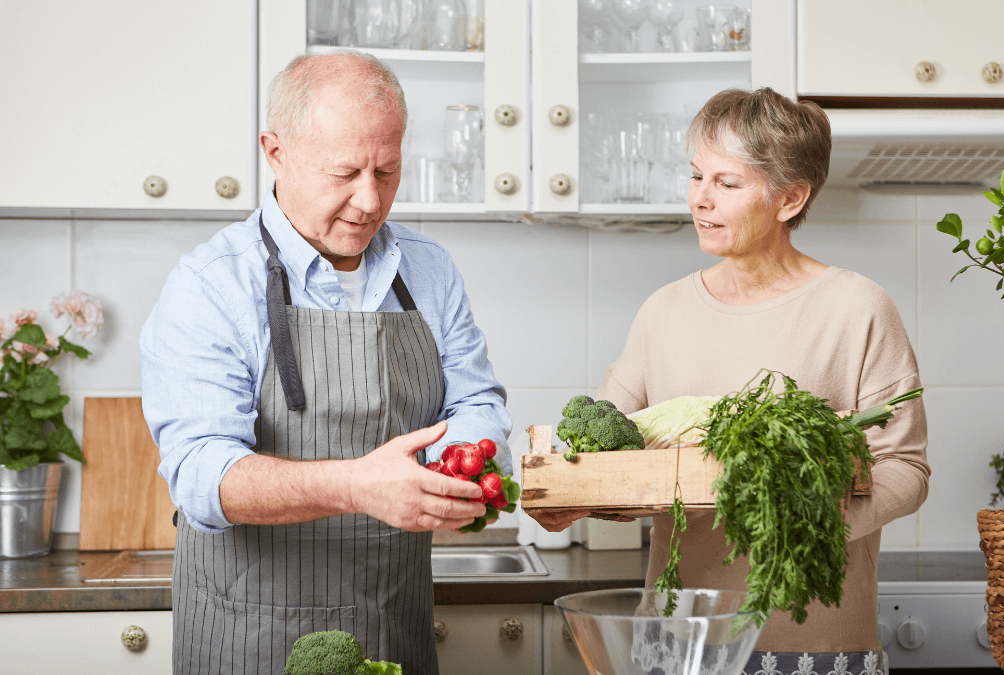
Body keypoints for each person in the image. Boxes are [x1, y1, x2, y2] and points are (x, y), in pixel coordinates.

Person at [532, 88, 929, 674]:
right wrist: (568, 496)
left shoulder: (857, 307)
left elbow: (907, 469)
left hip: (815, 639)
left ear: (790, 198)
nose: (700, 199)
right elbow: (605, 447)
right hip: (680, 639)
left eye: (727, 183)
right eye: (696, 176)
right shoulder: (663, 311)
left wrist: (799, 527)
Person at [140, 50, 511, 675]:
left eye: (386, 171)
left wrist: (464, 473)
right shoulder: (210, 285)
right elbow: (202, 474)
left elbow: (474, 403)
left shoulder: (429, 270)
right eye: (344, 173)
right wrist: (353, 485)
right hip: (248, 634)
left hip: (395, 623)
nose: (369, 200)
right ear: (276, 151)